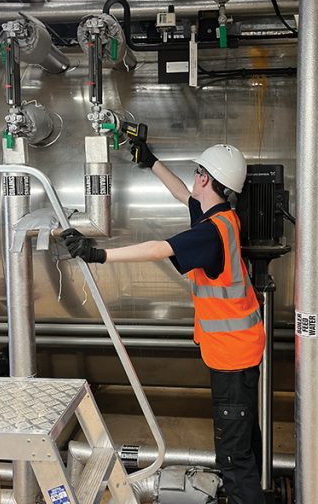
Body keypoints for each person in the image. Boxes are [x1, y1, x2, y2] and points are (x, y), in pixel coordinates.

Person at [61, 140, 265, 504]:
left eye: (198, 172)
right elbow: (182, 194)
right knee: (244, 442)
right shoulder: (221, 217)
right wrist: (151, 161)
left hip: (232, 358)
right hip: (241, 349)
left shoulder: (209, 233)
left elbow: (158, 248)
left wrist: (97, 254)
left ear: (206, 178)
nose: (194, 178)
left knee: (234, 459)